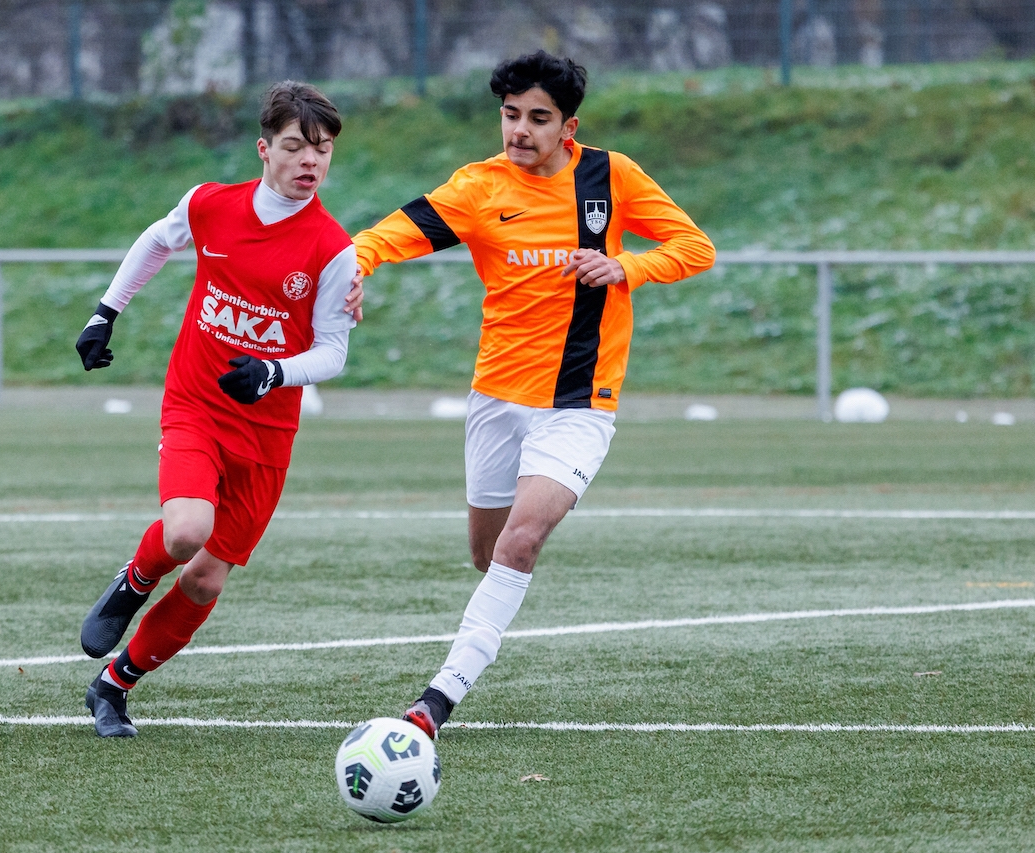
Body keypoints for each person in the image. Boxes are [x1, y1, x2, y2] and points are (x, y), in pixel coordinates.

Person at [352, 51, 716, 739]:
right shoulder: (478, 187)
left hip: (579, 401)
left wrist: (625, 265)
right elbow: (389, 234)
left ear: (568, 127)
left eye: (538, 118)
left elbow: (696, 247)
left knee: (520, 543)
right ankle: (483, 628)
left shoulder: (609, 176)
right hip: (496, 396)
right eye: (510, 114)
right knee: (487, 552)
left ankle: (435, 702)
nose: (519, 130)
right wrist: (358, 266)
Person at [75, 80, 362, 737]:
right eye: (294, 146)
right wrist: (106, 312)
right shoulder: (211, 204)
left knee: (205, 580)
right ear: (264, 149)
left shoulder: (333, 250)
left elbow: (333, 353)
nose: (309, 161)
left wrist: (274, 372)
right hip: (197, 404)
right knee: (185, 533)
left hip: (267, 433)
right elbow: (158, 240)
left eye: (322, 150)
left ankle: (113, 686)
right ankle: (133, 582)